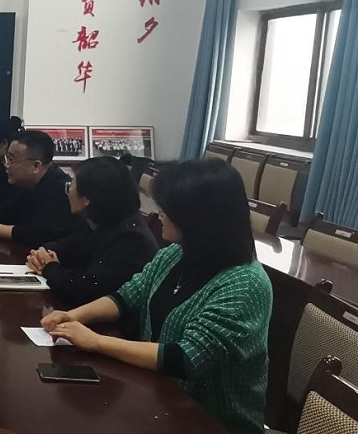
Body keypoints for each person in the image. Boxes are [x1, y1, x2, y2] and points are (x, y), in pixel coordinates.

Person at [40, 159, 272, 434]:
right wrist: (74, 316)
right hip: (158, 400)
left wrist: (96, 341)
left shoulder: (245, 284)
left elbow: (185, 358)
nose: (158, 214)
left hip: (211, 421)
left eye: (168, 209)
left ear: (199, 218)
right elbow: (126, 297)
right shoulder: (176, 253)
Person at [25, 156, 157, 307]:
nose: (68, 192)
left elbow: (85, 290)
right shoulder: (99, 221)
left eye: (71, 186)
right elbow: (65, 247)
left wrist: (49, 267)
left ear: (87, 198)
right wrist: (42, 255)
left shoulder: (131, 240)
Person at [0, 130, 72, 249]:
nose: (6, 165)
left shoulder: (62, 191)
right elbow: (11, 209)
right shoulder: (26, 183)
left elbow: (39, 234)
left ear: (36, 166)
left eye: (12, 160)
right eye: (7, 159)